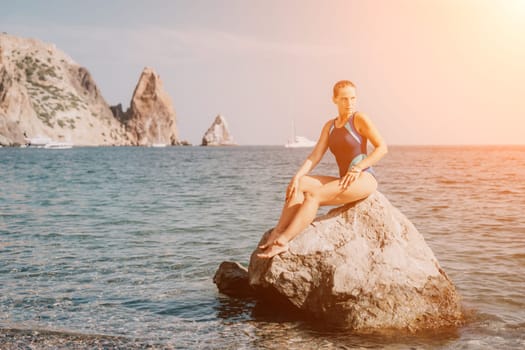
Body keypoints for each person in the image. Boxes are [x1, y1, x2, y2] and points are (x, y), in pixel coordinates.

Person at [257, 80, 388, 258]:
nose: (349, 103)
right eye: (344, 99)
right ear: (334, 99)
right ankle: (278, 232)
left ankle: (283, 242)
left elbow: (382, 147)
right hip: (344, 180)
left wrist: (358, 168)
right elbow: (315, 156)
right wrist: (296, 177)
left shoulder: (359, 119)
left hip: (364, 178)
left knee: (314, 196)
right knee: (301, 184)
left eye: (352, 98)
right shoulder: (330, 126)